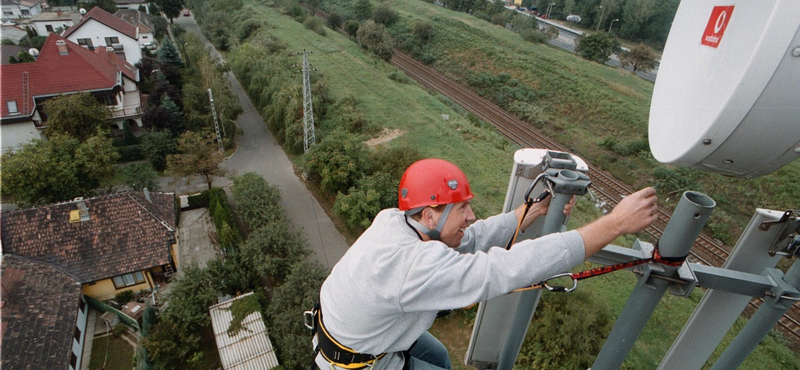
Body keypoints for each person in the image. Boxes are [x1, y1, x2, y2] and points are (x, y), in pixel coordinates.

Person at [312, 158, 658, 370]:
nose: (471, 215)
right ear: (430, 214)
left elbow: (470, 239)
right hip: (357, 363)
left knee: (441, 359)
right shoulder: (411, 267)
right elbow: (502, 270)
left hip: (354, 335)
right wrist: (613, 225)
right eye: (461, 208)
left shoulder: (397, 220)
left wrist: (531, 211)